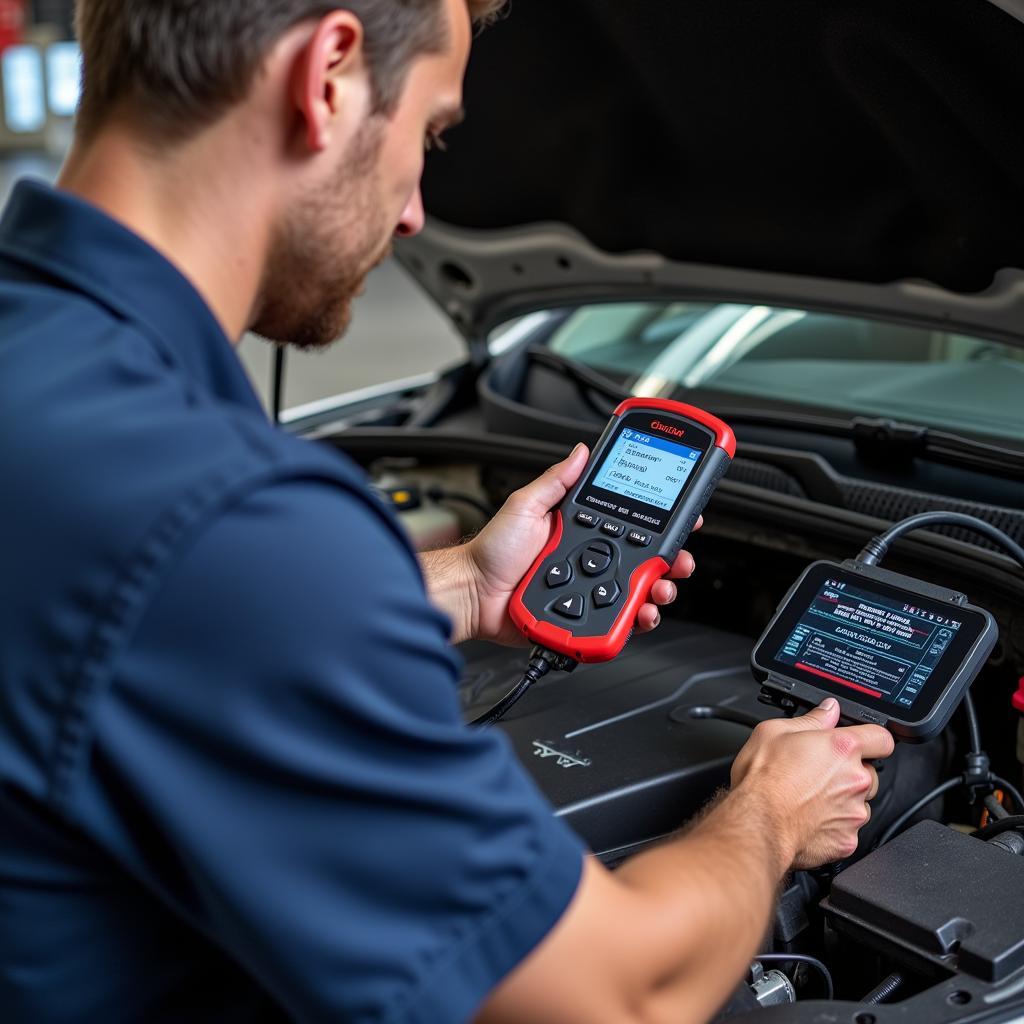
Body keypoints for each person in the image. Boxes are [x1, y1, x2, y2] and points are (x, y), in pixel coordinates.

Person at [0, 1, 894, 1021]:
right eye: (429, 131)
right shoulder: (225, 521)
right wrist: (773, 811)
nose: (420, 210)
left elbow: (106, 620)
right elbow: (619, 997)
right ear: (326, 74)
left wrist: (462, 582)